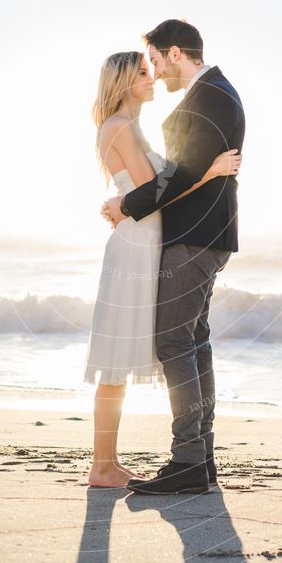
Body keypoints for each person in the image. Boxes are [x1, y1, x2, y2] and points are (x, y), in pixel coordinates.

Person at [85, 49, 241, 487]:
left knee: (129, 354)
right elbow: (153, 191)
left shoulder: (131, 128)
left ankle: (109, 462)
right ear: (122, 82)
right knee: (116, 358)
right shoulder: (119, 128)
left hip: (148, 242)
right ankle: (101, 465)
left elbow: (154, 190)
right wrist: (208, 173)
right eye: (141, 72)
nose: (151, 77)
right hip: (135, 248)